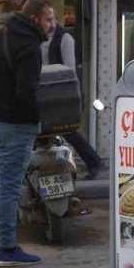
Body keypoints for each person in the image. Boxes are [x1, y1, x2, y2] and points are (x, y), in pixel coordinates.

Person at [0, 0, 55, 266]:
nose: (52, 25)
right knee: (9, 188)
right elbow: (27, 91)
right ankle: (8, 248)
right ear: (34, 20)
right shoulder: (30, 46)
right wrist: (35, 123)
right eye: (48, 19)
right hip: (14, 126)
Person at [40, 20, 103, 179]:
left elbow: (70, 68)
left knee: (67, 130)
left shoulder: (65, 38)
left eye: (51, 18)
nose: (50, 22)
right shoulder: (40, 38)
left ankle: (93, 161)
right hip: (45, 91)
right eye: (47, 18)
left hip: (62, 92)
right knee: (61, 131)